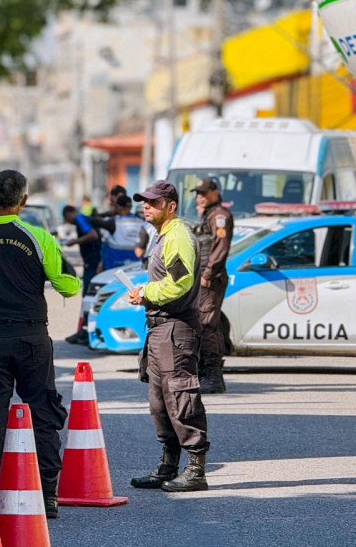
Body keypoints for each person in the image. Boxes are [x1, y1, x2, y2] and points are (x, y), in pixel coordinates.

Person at [0, 170, 81, 520]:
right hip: (33, 338)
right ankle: (48, 496)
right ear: (23, 200)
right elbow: (69, 286)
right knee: (43, 410)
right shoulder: (40, 238)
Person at [126, 181, 210, 492]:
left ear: (170, 206)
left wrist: (146, 292)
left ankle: (196, 470)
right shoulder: (163, 236)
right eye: (144, 202)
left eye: (153, 202)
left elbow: (181, 282)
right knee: (160, 403)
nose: (146, 207)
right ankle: (168, 464)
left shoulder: (177, 236)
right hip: (161, 328)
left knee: (181, 397)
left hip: (175, 327)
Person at [191, 177, 233, 395]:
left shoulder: (219, 216)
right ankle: (207, 374)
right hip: (204, 277)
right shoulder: (209, 215)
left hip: (210, 278)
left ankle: (212, 376)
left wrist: (208, 273)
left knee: (206, 325)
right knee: (207, 324)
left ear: (216, 193)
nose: (200, 196)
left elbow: (220, 247)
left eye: (204, 192)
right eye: (198, 193)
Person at [62, 204, 101, 345]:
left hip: (93, 261)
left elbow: (92, 235)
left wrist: (75, 241)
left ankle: (86, 332)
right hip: (93, 261)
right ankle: (84, 330)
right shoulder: (83, 217)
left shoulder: (79, 218)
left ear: (70, 213)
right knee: (88, 296)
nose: (68, 221)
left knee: (88, 296)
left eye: (67, 218)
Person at [97, 194, 145, 271]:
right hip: (135, 266)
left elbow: (93, 220)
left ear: (118, 207)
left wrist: (107, 213)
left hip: (114, 266)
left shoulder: (113, 222)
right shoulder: (141, 222)